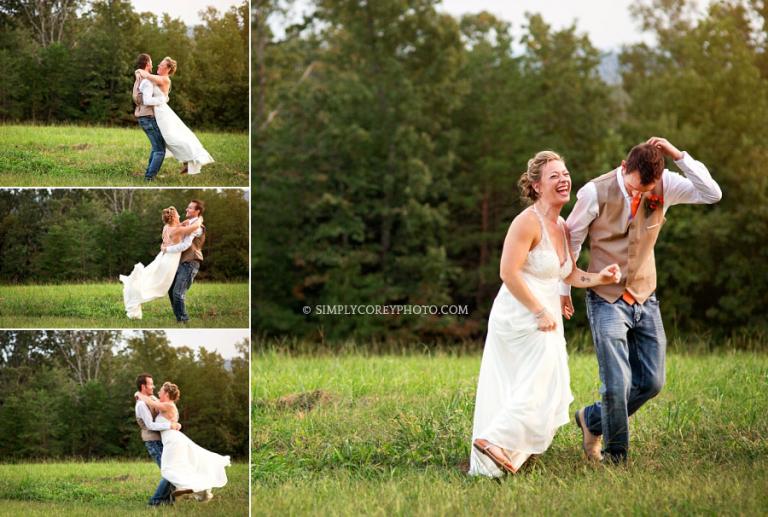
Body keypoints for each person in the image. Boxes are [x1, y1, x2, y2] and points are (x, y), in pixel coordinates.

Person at [563, 137, 722, 464]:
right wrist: (564, 291)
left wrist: (678, 155)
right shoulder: (595, 191)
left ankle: (591, 420)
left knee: (652, 382)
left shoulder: (665, 184)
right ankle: (616, 457)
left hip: (645, 296)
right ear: (624, 169)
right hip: (606, 298)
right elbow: (572, 241)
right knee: (616, 385)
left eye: (646, 191)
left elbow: (711, 193)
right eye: (635, 189)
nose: (640, 196)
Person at [469, 151, 622, 477]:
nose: (564, 179)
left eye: (565, 173)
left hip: (546, 313)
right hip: (521, 312)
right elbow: (507, 272)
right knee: (541, 381)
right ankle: (492, 439)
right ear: (537, 186)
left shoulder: (562, 226)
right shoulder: (527, 222)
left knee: (548, 384)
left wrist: (600, 278)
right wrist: (539, 310)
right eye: (554, 176)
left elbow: (569, 274)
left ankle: (509, 452)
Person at [135, 381, 230, 501]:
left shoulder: (168, 405)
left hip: (172, 440)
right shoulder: (165, 404)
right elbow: (153, 400)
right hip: (172, 439)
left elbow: (150, 402)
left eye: (161, 390)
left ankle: (161, 498)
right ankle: (193, 489)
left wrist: (138, 393)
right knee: (176, 467)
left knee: (169, 469)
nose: (158, 392)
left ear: (167, 394)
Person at [119, 206, 202, 319]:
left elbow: (167, 239)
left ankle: (179, 316)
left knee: (152, 277)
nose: (180, 215)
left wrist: (182, 224)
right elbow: (188, 235)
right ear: (173, 217)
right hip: (171, 258)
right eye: (178, 214)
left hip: (163, 256)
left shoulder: (166, 227)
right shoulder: (177, 230)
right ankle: (181, 317)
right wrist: (199, 220)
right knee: (159, 284)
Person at [135, 57, 214, 175]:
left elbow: (148, 77)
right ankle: (184, 162)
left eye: (161, 65)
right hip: (158, 112)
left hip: (161, 113)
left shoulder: (165, 79)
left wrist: (141, 72)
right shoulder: (157, 79)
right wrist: (139, 73)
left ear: (168, 68)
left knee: (172, 139)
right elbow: (146, 79)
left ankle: (190, 160)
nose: (158, 66)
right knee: (164, 142)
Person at [134, 373, 181, 506]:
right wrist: (170, 425)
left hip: (161, 441)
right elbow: (150, 425)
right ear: (143, 386)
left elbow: (159, 402)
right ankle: (154, 502)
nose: (153, 386)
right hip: (153, 442)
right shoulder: (141, 405)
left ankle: (168, 501)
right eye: (150, 384)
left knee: (170, 471)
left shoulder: (151, 398)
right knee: (169, 472)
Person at [163, 200, 206, 324]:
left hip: (190, 262)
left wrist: (167, 249)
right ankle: (179, 319)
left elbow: (185, 245)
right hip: (179, 263)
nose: (186, 209)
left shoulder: (198, 228)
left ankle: (183, 320)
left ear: (197, 211)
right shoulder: (187, 224)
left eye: (190, 208)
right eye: (187, 207)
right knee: (171, 291)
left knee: (177, 292)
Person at [132, 53, 165, 181]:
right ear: (147, 64)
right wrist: (163, 99)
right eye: (151, 62)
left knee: (156, 147)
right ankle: (149, 177)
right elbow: (146, 100)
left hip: (143, 116)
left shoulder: (140, 77)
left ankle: (149, 173)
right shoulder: (146, 80)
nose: (152, 64)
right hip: (148, 117)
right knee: (160, 150)